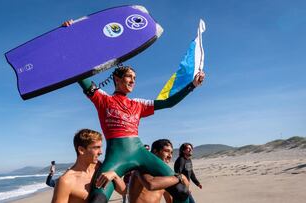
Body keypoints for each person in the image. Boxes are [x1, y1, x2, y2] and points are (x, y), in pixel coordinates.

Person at [62, 20, 205, 203]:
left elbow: (168, 102)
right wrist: (71, 37)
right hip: (116, 156)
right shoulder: (103, 99)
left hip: (139, 152)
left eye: (135, 78)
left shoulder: (138, 104)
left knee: (181, 190)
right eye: (129, 76)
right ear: (116, 78)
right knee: (96, 199)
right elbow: (81, 75)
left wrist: (192, 85)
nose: (132, 81)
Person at [51, 129, 126, 203]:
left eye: (101, 147)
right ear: (81, 150)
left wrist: (114, 176)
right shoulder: (66, 181)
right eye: (96, 147)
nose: (101, 152)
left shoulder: (101, 168)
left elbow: (124, 191)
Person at [129, 139, 190, 203]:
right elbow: (151, 184)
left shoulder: (166, 175)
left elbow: (169, 200)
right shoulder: (142, 168)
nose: (170, 156)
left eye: (171, 152)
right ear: (155, 152)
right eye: (166, 151)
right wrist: (180, 177)